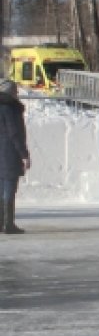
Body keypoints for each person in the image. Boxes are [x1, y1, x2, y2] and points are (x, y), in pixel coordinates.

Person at [0, 79, 31, 234]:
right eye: (16, 91)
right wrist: (24, 154)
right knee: (9, 188)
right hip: (9, 153)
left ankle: (2, 223)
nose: (17, 94)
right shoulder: (10, 108)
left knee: (2, 188)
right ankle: (8, 224)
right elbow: (14, 133)